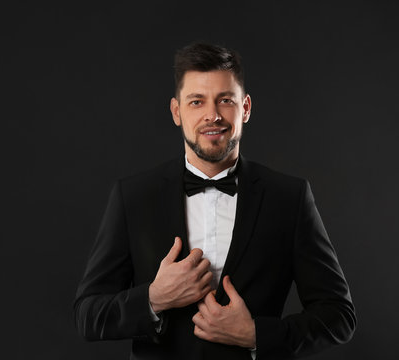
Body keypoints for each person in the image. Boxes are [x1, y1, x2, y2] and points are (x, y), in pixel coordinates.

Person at [74, 42, 356, 360]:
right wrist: (153, 298)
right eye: (197, 102)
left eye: (225, 100)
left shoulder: (289, 197)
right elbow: (88, 315)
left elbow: (339, 316)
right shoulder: (133, 196)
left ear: (245, 108)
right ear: (176, 112)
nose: (212, 115)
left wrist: (255, 335)